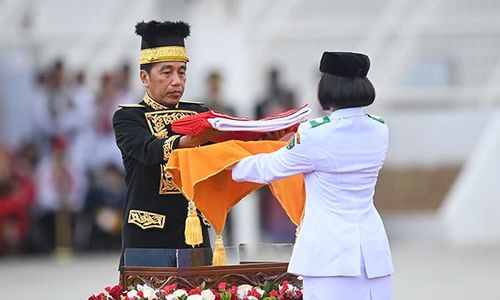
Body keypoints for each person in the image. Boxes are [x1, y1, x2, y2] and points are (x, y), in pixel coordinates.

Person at [231, 52, 394, 299]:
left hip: (329, 256)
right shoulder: (380, 128)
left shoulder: (315, 134)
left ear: (328, 87)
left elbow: (269, 168)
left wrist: (227, 163)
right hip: (372, 253)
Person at [113, 20, 220, 266]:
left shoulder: (199, 112)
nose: (177, 81)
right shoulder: (128, 117)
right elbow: (147, 150)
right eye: (166, 72)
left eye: (181, 72)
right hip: (148, 235)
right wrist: (187, 141)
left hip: (193, 233)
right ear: (144, 77)